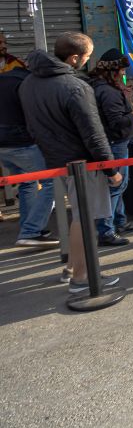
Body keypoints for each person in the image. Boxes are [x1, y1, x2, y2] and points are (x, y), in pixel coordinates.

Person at [21, 33, 123, 293]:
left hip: (56, 158)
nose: (88, 61)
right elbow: (93, 132)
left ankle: (76, 269)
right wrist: (111, 169)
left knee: (80, 216)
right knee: (84, 218)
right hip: (81, 162)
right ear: (74, 57)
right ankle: (82, 276)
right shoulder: (75, 86)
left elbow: (32, 126)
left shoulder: (29, 82)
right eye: (87, 56)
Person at [88, 49, 133, 247]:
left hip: (113, 142)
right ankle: (106, 230)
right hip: (115, 143)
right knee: (115, 185)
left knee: (119, 185)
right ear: (114, 71)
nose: (124, 74)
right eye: (122, 70)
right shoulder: (108, 92)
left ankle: (119, 221)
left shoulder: (96, 86)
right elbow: (117, 121)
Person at [0, 64, 55, 247]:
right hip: (21, 142)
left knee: (28, 182)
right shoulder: (28, 83)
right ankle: (31, 230)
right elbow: (36, 114)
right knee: (51, 181)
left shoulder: (5, 79)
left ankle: (30, 230)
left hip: (3, 146)